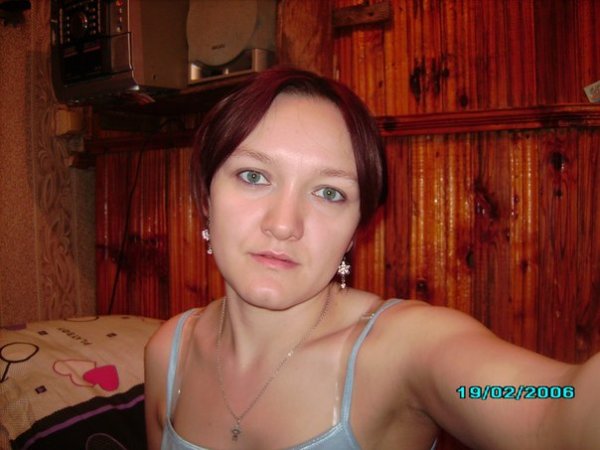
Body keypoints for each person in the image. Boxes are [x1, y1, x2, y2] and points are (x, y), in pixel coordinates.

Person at [144, 66, 600, 450]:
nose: (284, 224)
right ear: (206, 196)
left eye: (329, 193)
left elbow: (555, 409)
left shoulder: (402, 353)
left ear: (354, 230)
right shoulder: (169, 353)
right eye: (253, 176)